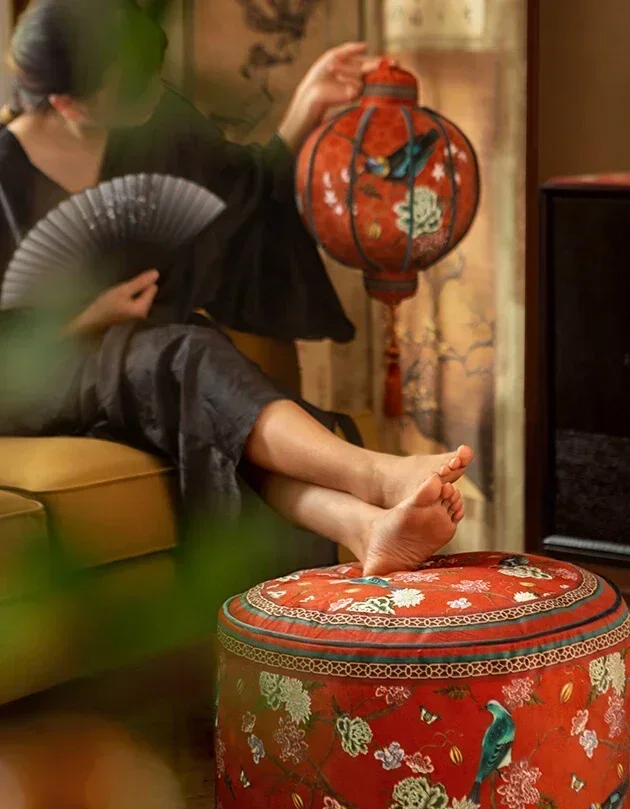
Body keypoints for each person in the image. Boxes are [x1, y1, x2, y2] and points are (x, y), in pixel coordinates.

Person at [0, 0, 473, 577]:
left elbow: (243, 188)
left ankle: (364, 528)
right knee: (186, 355)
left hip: (140, 356)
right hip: (32, 379)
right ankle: (374, 475)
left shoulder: (150, 125)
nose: (151, 93)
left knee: (207, 395)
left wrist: (306, 105)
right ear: (66, 102)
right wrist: (90, 315)